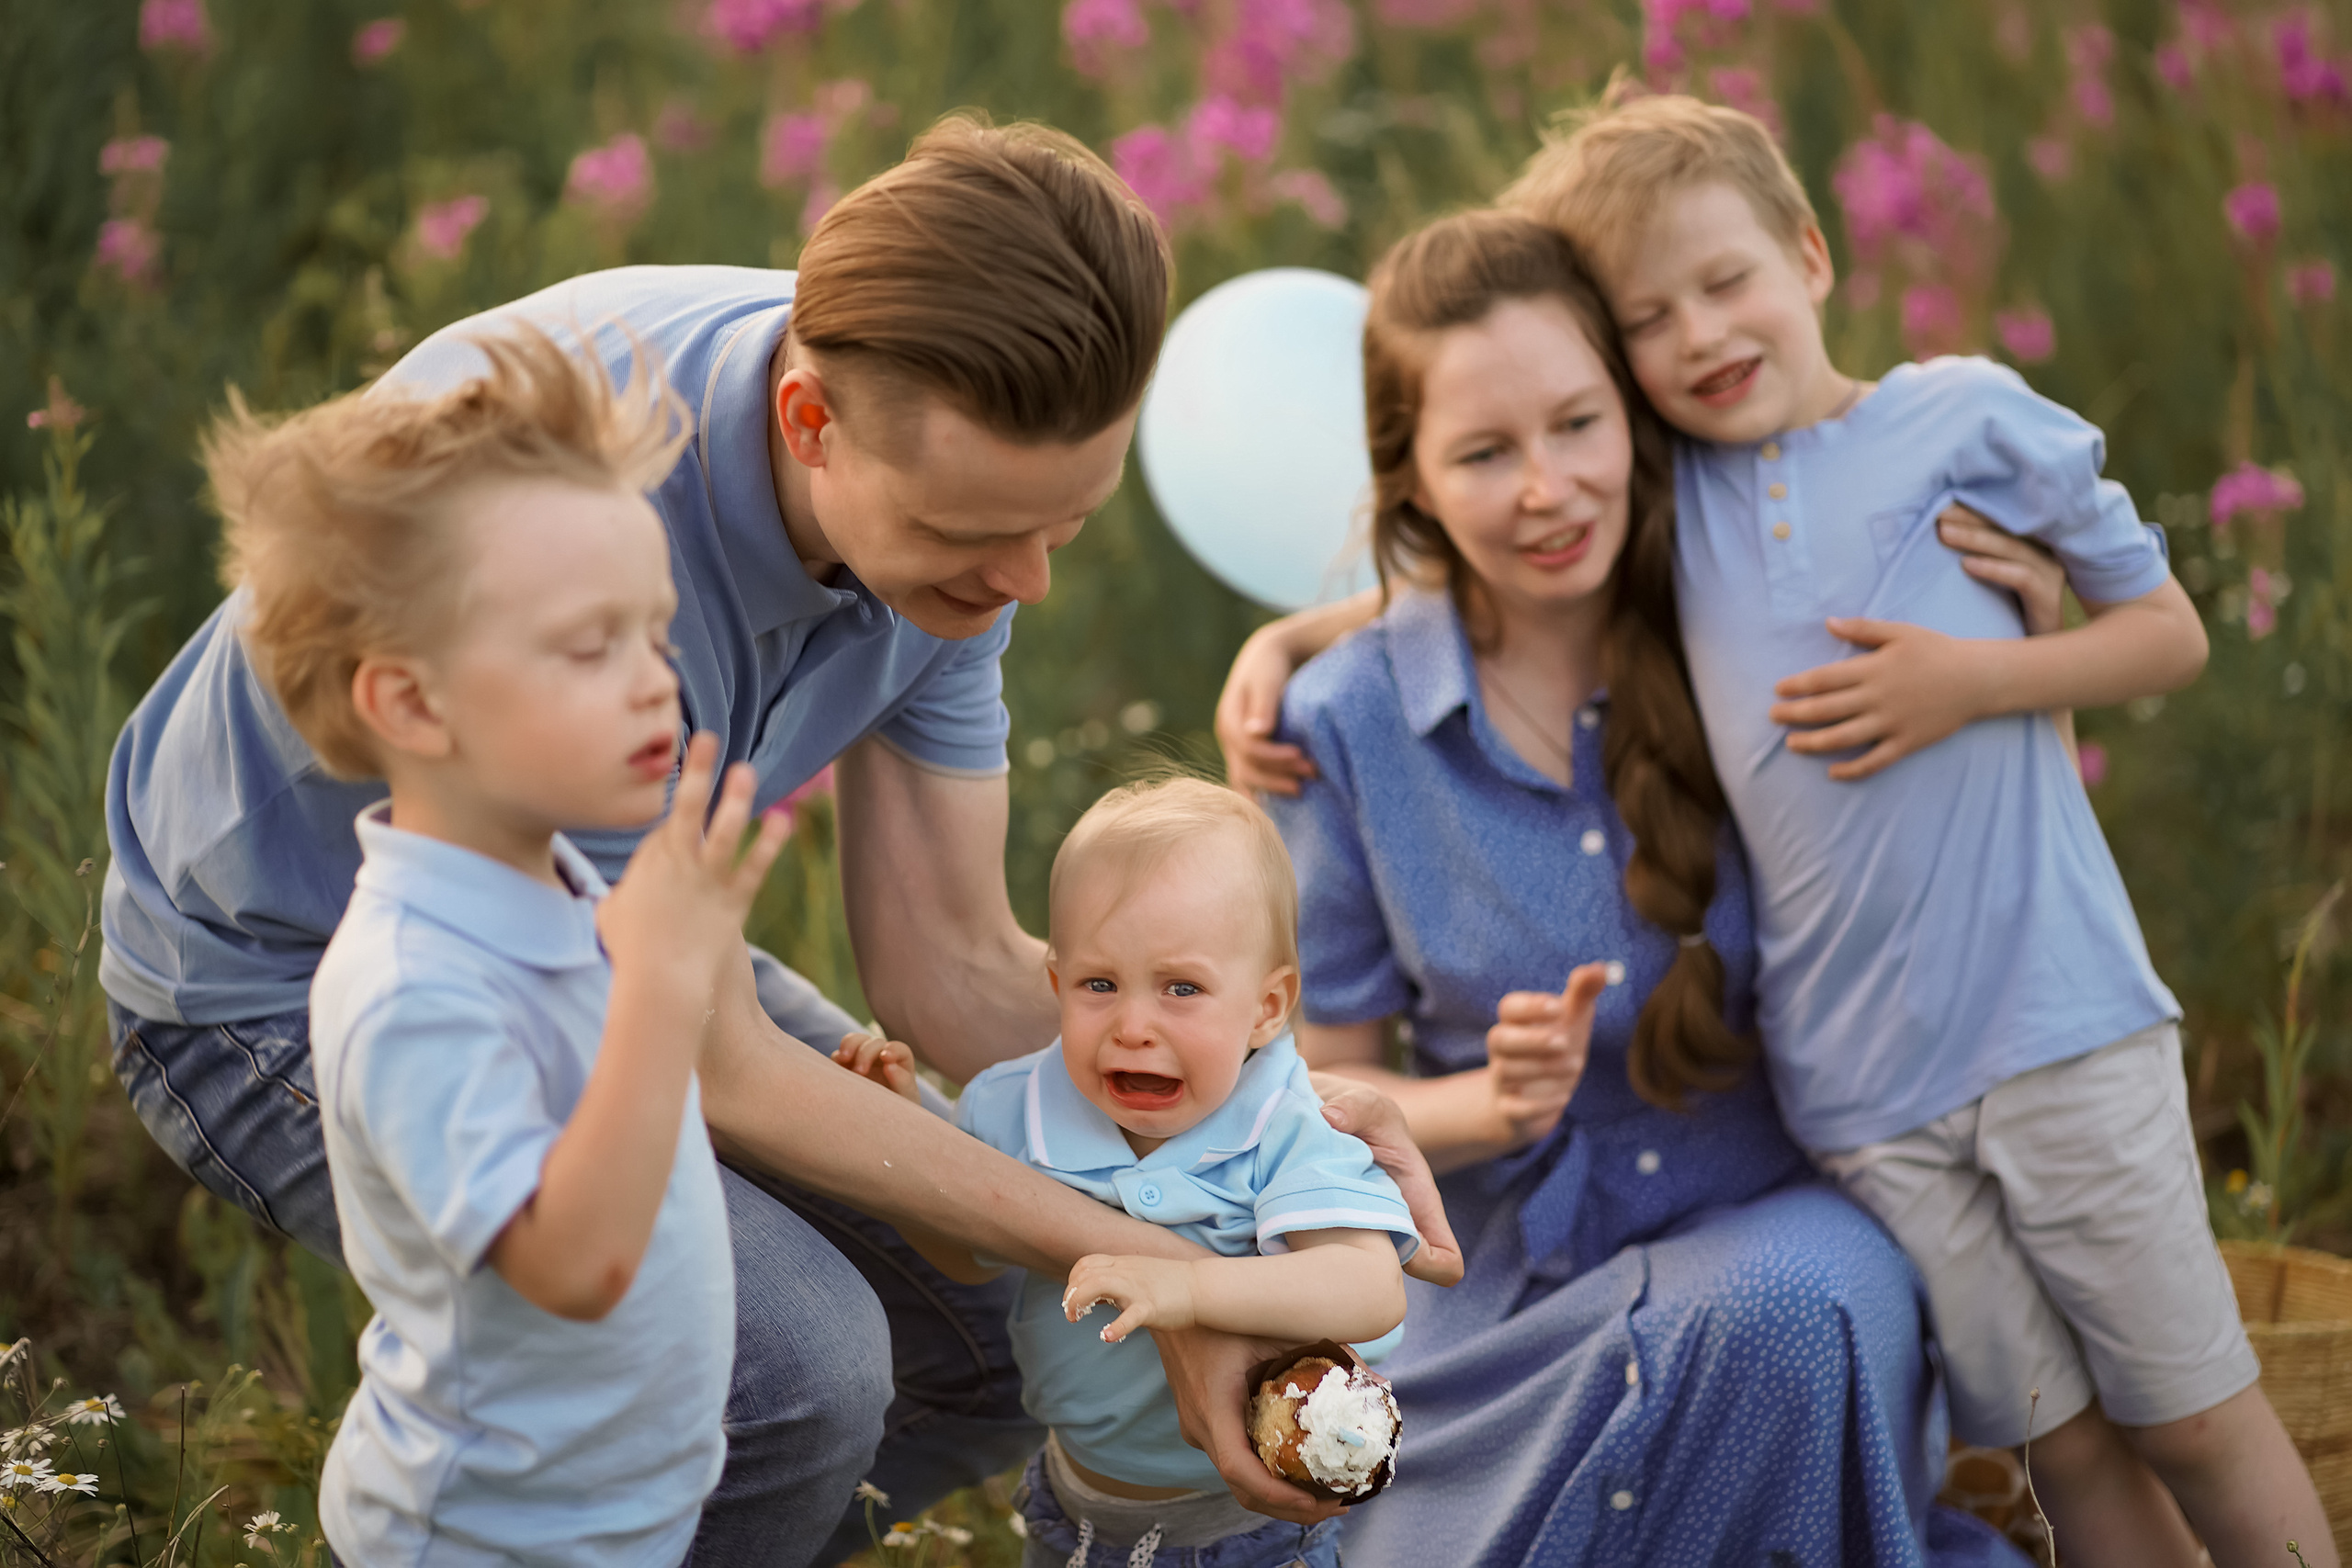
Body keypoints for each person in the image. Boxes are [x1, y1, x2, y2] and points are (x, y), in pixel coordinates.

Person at [102, 114, 1441, 1566]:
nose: (1024, 583)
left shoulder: (940, 485)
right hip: (280, 977)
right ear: (809, 424)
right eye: (973, 531)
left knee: (1000, 1338)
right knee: (794, 1374)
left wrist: (1248, 1110)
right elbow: (713, 1055)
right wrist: (1170, 1265)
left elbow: (948, 962)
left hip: (606, 939)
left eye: (1067, 520)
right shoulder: (596, 586)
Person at [1243, 207, 2035, 1567]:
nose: (1547, 487)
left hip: (1781, 1209)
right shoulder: (1346, 718)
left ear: (1633, 417)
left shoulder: (1761, 630)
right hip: (1497, 1290)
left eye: (1576, 426)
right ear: (1415, 477)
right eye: (1487, 452)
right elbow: (1324, 1101)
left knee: (1786, 1311)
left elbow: (1982, 850)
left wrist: (2026, 641)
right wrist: (1488, 1104)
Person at [209, 329, 786, 1562]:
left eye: (659, 634)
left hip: (611, 1515)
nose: (655, 685)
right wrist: (662, 985)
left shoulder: (551, 875)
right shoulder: (411, 985)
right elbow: (570, 1262)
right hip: (489, 1533)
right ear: (413, 702)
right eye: (592, 646)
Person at [837, 777, 1427, 1568]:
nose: (1134, 1026)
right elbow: (967, 1254)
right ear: (1056, 984)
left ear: (1266, 1006)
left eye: (1181, 988)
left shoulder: (1288, 1125)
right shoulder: (1017, 1104)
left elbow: (1370, 1285)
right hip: (1070, 1510)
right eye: (1099, 984)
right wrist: (911, 1134)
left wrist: (1190, 1289)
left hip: (1245, 1531)